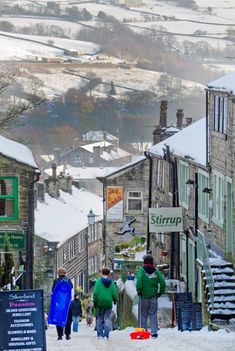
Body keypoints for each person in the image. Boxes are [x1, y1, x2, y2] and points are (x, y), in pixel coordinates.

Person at [136, 255, 166, 339]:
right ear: (152, 262)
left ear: (144, 262)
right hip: (153, 296)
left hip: (143, 296)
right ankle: (154, 333)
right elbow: (163, 283)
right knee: (153, 314)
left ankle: (142, 333)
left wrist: (139, 290)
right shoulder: (156, 272)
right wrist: (160, 292)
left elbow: (139, 281)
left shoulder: (141, 271)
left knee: (143, 315)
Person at [93, 267, 118, 340]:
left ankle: (100, 335)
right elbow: (114, 293)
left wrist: (95, 301)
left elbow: (95, 293)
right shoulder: (112, 282)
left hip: (99, 303)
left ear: (102, 273)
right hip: (108, 303)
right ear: (108, 273)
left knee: (100, 319)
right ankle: (106, 335)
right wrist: (115, 299)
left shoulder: (98, 281)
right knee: (107, 319)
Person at [52, 267, 73, 340]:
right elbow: (71, 287)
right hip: (67, 302)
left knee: (58, 318)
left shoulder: (56, 281)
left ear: (58, 274)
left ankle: (60, 335)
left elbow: (53, 290)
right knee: (68, 319)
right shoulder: (68, 280)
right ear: (65, 273)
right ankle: (67, 335)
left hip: (59, 303)